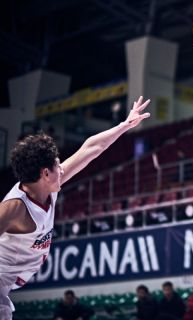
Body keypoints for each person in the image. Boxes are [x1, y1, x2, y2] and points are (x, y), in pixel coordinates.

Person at [0, 96, 151, 320]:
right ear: (45, 173)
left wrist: (124, 125)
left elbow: (91, 148)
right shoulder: (15, 208)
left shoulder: (49, 185)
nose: (61, 167)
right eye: (57, 163)